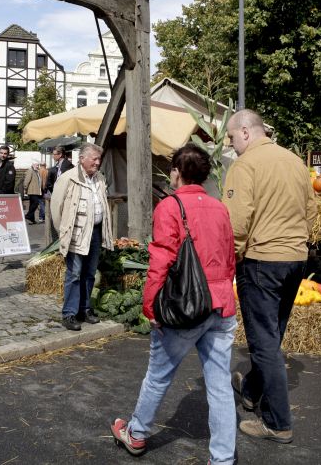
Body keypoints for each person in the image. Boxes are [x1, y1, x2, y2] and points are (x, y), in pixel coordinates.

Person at [111, 144, 237, 464]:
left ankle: (137, 433)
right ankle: (223, 459)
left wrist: (150, 307)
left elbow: (161, 261)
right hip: (221, 305)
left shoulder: (169, 206)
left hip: (185, 306)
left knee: (158, 376)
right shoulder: (220, 208)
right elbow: (229, 258)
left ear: (177, 172)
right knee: (221, 386)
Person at [222, 109, 316, 444]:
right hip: (295, 258)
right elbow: (311, 211)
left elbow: (236, 222)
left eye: (231, 137)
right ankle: (251, 390)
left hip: (262, 260)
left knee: (263, 342)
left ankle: (278, 423)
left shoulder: (244, 165)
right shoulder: (294, 161)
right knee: (272, 334)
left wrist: (232, 258)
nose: (230, 145)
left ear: (246, 132)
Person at [51, 142, 113, 331]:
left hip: (96, 231)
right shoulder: (68, 178)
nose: (97, 162)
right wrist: (64, 232)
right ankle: (69, 313)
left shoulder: (100, 178)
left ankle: (84, 310)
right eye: (94, 159)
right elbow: (56, 208)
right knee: (74, 274)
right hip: (76, 233)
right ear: (82, 159)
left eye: (99, 159)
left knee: (90, 273)